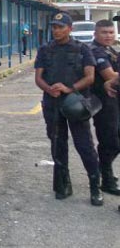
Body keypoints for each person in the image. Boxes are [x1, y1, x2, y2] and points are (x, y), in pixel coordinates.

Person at [34, 12, 103, 206]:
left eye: (60, 27)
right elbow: (39, 77)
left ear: (69, 29)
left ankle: (95, 187)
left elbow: (90, 77)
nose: (56, 30)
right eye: (54, 27)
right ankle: (63, 183)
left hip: (76, 103)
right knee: (57, 144)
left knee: (84, 145)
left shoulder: (82, 50)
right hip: (52, 103)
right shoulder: (45, 50)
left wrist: (69, 89)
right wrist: (48, 88)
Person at [88, 19, 120, 195]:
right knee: (110, 142)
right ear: (96, 34)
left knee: (115, 141)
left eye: (111, 32)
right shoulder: (96, 51)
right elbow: (109, 75)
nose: (108, 36)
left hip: (114, 101)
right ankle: (106, 179)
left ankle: (102, 171)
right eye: (104, 32)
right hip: (103, 104)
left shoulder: (110, 50)